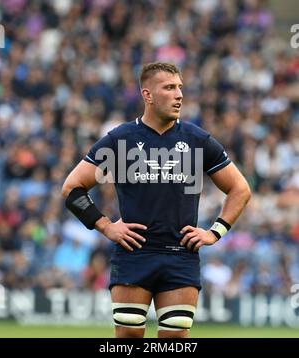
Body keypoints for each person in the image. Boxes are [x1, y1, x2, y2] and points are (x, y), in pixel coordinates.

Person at [62, 62, 251, 338]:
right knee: (128, 338)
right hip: (134, 254)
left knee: (173, 340)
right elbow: (72, 188)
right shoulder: (120, 139)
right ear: (147, 95)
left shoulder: (197, 140)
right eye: (170, 88)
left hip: (181, 255)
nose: (179, 95)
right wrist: (105, 225)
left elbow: (240, 189)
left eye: (180, 88)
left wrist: (215, 232)